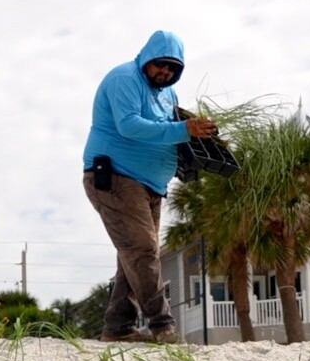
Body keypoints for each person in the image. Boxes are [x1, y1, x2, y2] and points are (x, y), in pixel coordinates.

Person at [82, 30, 219, 344]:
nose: (165, 72)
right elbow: (129, 125)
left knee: (134, 254)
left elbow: (171, 130)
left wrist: (198, 133)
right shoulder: (124, 79)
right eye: (160, 64)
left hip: (152, 186)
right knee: (142, 251)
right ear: (146, 59)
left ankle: (118, 327)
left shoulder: (169, 95)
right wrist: (185, 129)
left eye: (173, 68)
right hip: (116, 177)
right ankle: (163, 326)